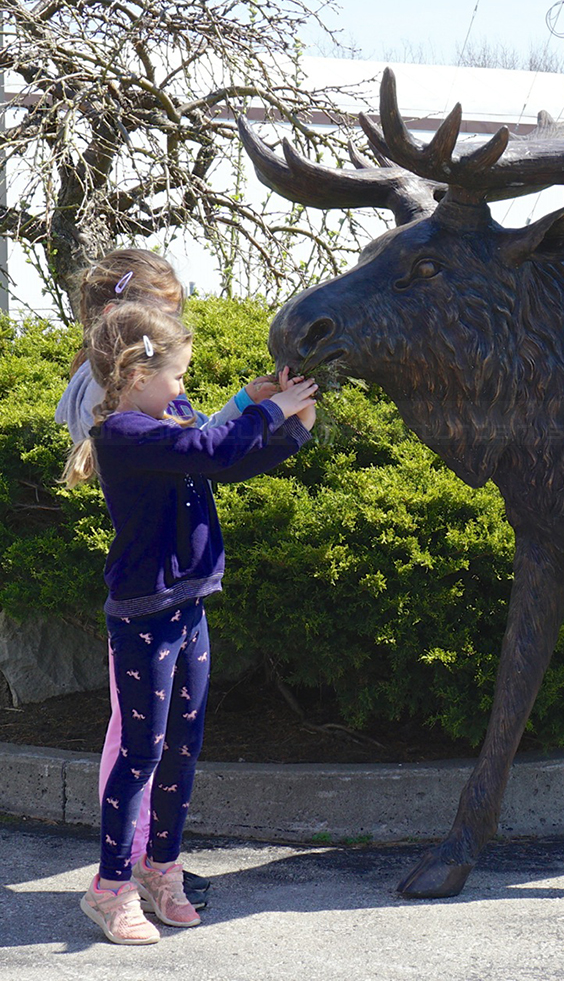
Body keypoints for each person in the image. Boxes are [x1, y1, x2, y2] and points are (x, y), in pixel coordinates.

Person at [64, 302, 317, 945]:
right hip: (144, 615)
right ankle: (111, 888)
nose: (183, 389)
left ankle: (161, 869)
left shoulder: (166, 419)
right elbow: (206, 446)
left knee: (182, 747)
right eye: (176, 375)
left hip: (189, 604)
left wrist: (289, 427)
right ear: (132, 373)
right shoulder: (122, 434)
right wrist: (267, 410)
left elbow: (225, 460)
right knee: (142, 752)